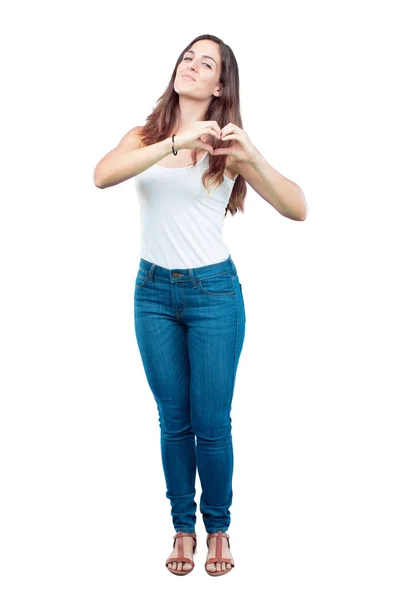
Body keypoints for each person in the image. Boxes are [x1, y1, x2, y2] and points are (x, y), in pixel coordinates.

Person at [94, 34, 307, 577]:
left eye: (205, 62)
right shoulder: (144, 136)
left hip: (214, 295)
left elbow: (297, 208)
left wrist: (252, 155)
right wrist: (173, 141)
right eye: (187, 57)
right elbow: (103, 175)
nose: (190, 65)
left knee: (211, 423)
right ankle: (182, 529)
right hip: (153, 294)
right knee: (173, 421)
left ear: (219, 86)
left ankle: (219, 529)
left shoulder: (226, 148)